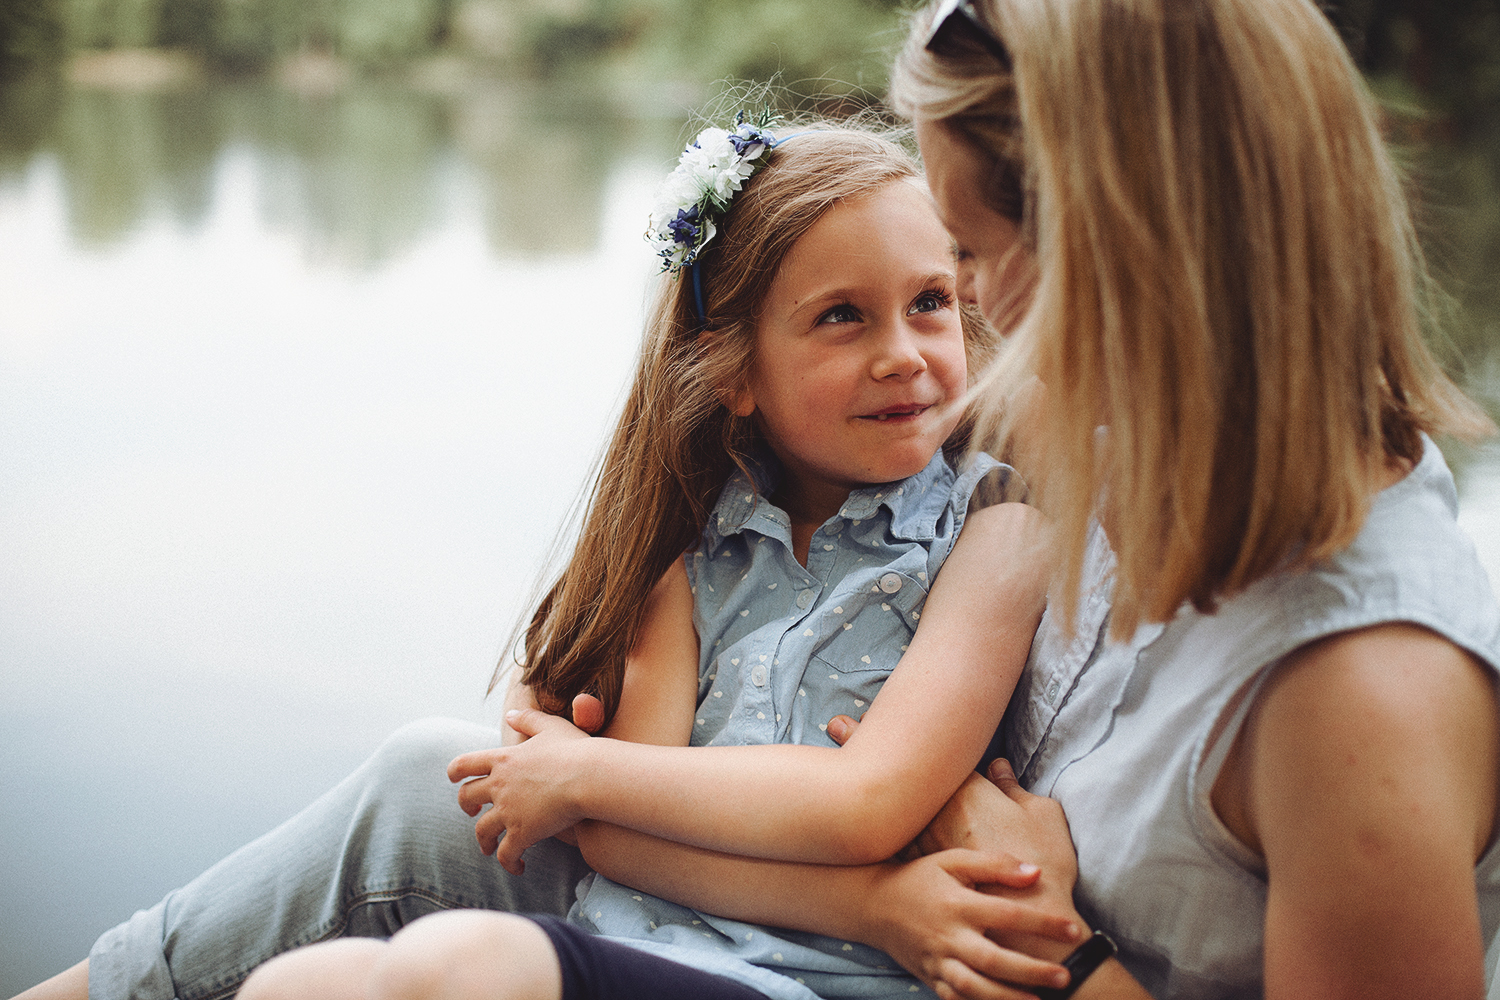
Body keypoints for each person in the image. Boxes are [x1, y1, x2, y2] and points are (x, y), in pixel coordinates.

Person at [853, 0, 1500, 997]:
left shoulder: (1358, 699)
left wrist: (1048, 941)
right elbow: (840, 452)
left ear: (1122, 256)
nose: (967, 296)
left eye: (972, 251)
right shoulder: (1133, 417)